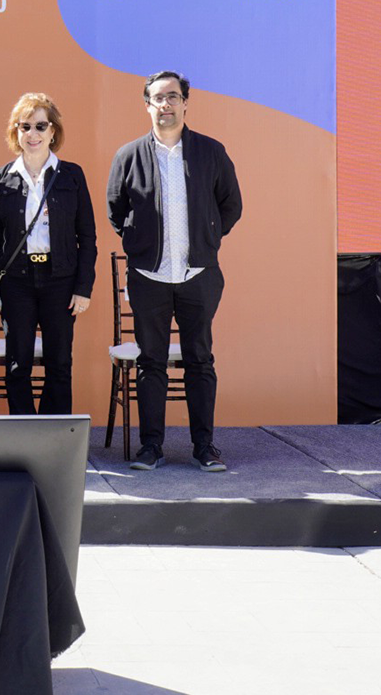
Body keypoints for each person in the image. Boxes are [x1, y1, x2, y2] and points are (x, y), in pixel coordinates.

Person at [107, 71, 242, 471]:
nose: (165, 104)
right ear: (146, 105)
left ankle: (205, 447)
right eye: (157, 98)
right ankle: (152, 447)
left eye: (172, 97)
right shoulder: (128, 156)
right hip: (148, 278)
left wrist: (207, 238)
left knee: (200, 359)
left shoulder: (210, 152)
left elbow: (231, 205)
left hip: (197, 274)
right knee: (151, 362)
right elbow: (116, 210)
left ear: (185, 102)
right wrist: (140, 245)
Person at [0, 94, 96, 415]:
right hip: (17, 282)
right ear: (16, 132)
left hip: (61, 281)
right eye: (25, 126)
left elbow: (87, 236)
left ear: (53, 131)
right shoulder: (3, 177)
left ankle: (55, 435)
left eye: (41, 126)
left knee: (59, 362)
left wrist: (83, 287)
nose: (32, 133)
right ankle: (24, 434)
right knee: (18, 364)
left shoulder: (71, 175)